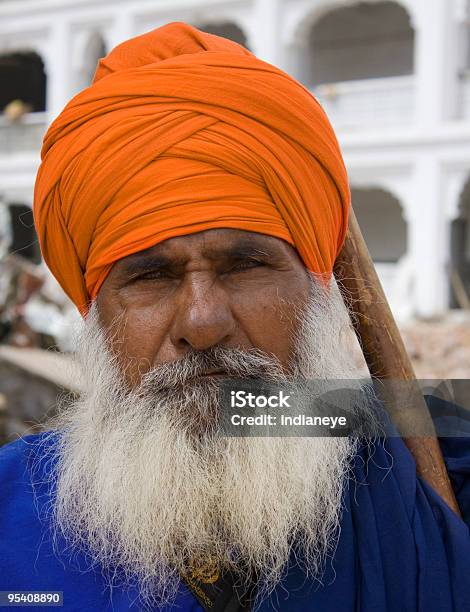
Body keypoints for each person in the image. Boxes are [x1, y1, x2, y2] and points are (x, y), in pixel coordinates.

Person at [1, 22, 469, 612]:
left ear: (318, 289)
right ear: (94, 313)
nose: (201, 322)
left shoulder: (430, 453)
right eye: (150, 277)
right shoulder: (8, 518)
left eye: (245, 264)